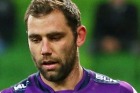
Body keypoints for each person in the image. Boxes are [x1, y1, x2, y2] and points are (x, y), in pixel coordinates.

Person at [0, 0, 137, 93]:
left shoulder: (118, 91)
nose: (45, 50)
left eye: (55, 38)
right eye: (36, 39)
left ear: (80, 36)